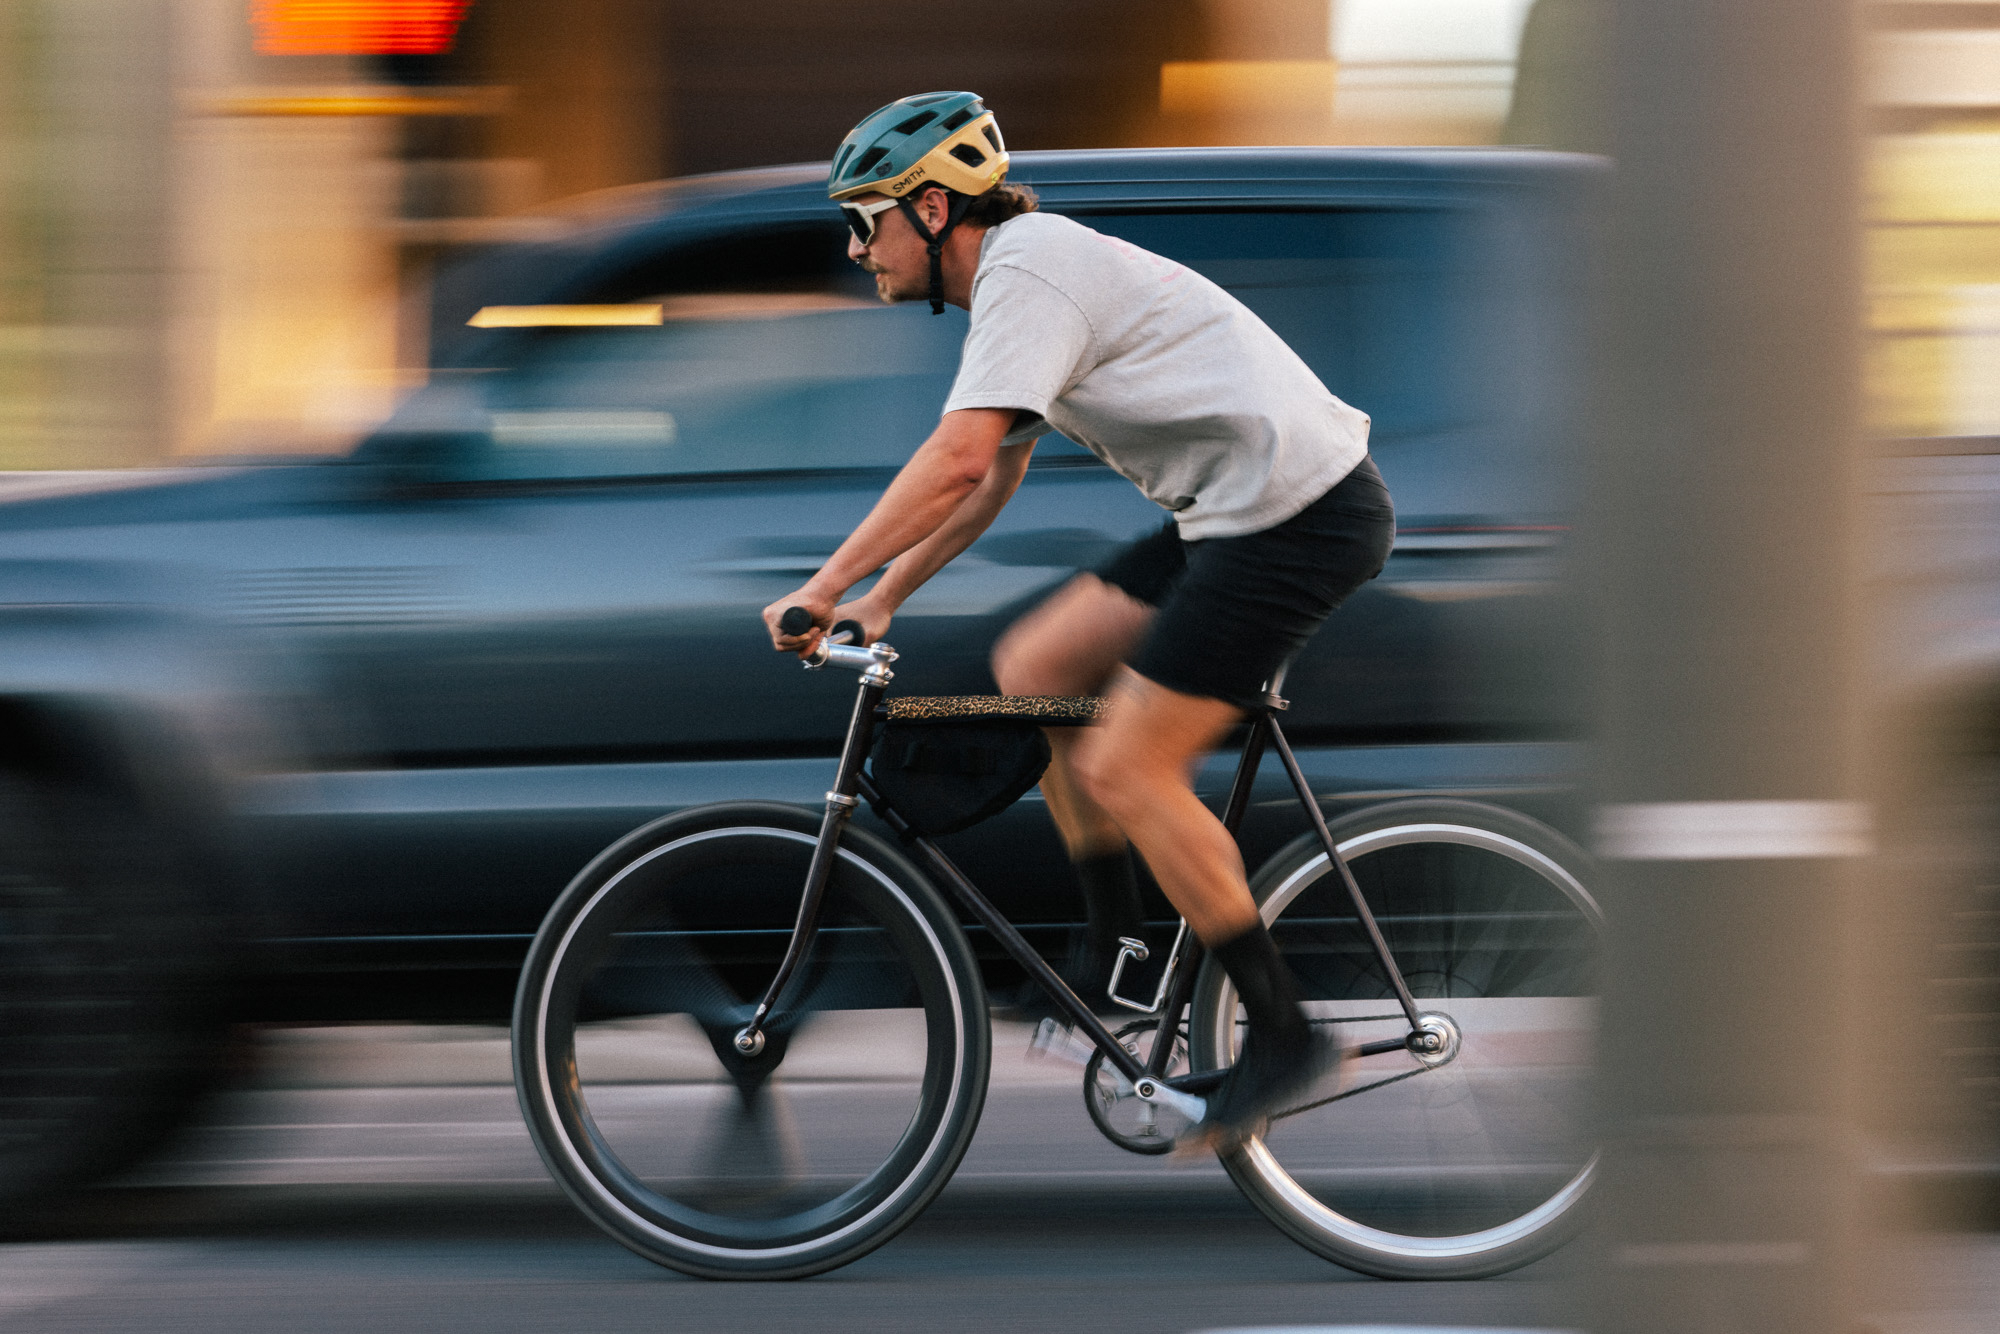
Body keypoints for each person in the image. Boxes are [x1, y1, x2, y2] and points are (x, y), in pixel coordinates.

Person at [763, 91, 1395, 1150]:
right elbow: (990, 479)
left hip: (1297, 516)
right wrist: (882, 595)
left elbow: (955, 457)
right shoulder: (1013, 283)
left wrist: (823, 583)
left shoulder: (1025, 268)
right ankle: (1119, 953)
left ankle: (1284, 1035)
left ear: (926, 209)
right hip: (1230, 513)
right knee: (1036, 662)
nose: (854, 246)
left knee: (1123, 767)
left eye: (862, 218)